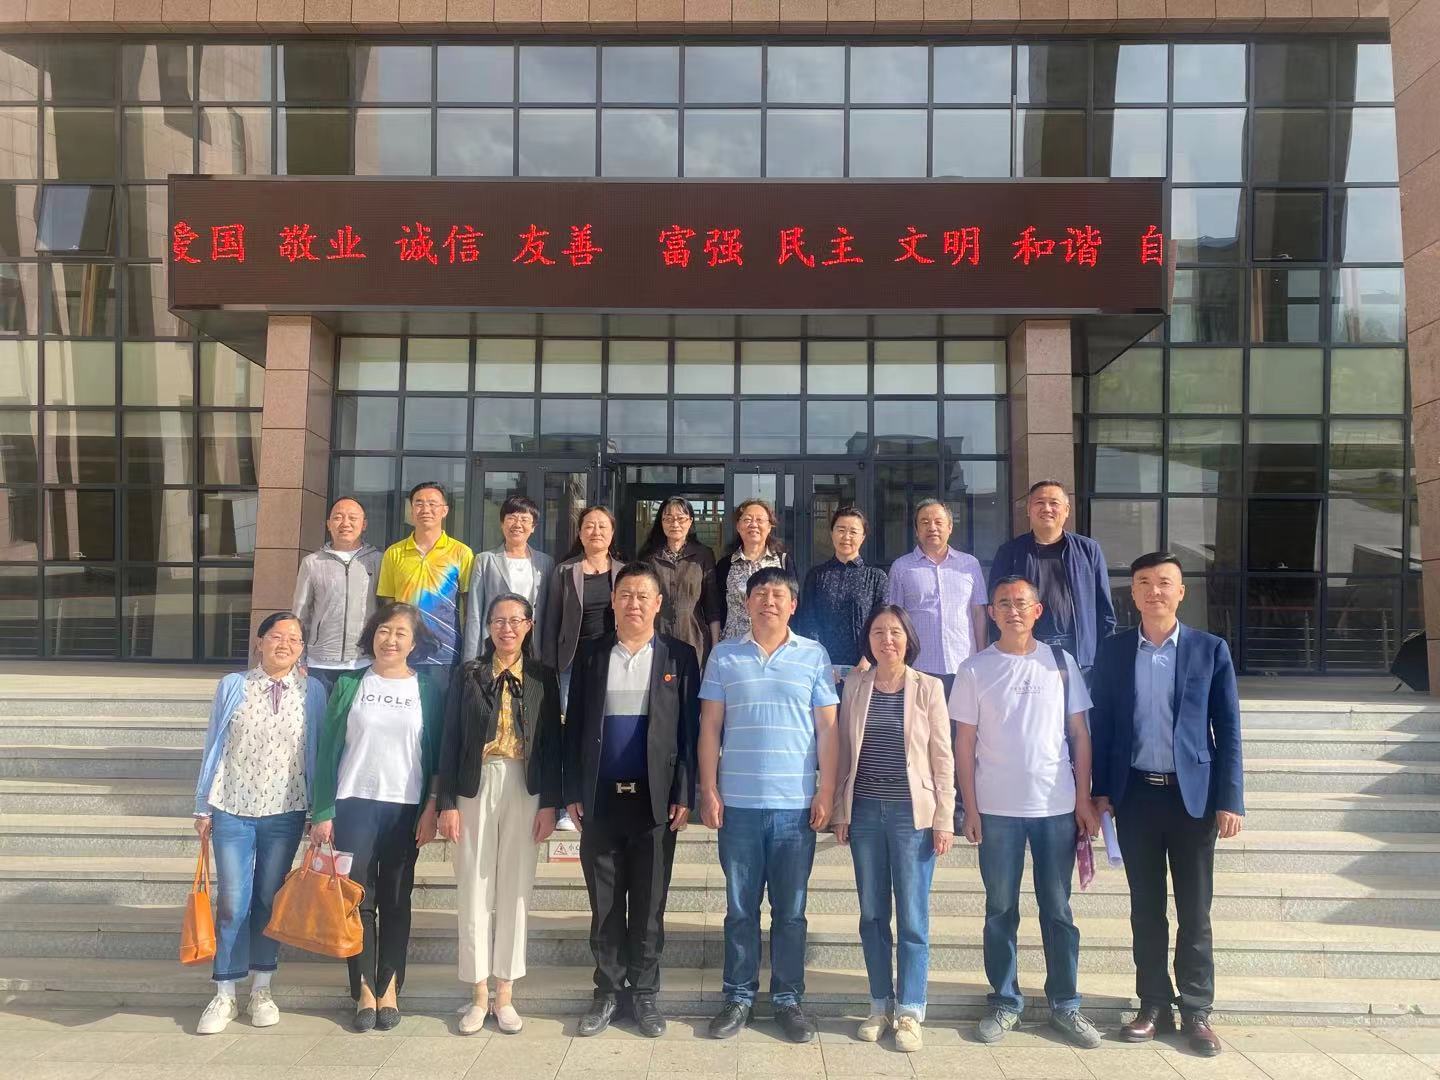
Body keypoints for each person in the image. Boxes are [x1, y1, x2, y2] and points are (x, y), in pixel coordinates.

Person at [1090, 552, 1245, 1058]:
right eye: (1143, 582)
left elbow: (1229, 729)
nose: (1153, 591)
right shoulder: (1114, 652)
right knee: (1146, 908)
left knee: (1195, 910)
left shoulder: (1209, 649)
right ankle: (1153, 1004)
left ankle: (1197, 1009)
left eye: (1164, 582)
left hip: (1192, 800)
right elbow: (1103, 726)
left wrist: (1230, 799)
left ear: (1181, 592)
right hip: (1136, 796)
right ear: (1132, 593)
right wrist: (1100, 791)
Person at [952, 575, 1102, 1050]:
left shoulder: (1061, 663)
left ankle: (1066, 1004)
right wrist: (969, 806)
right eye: (1003, 603)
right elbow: (964, 744)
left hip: (1055, 807)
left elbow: (1079, 734)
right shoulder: (974, 668)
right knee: (1000, 909)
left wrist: (1083, 799)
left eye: (1021, 603)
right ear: (990, 612)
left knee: (1057, 909)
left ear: (1038, 611)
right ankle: (1004, 1000)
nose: (1013, 610)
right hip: (996, 810)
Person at [698, 566, 840, 1044]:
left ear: (793, 605)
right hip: (737, 805)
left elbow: (828, 729)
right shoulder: (724, 655)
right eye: (760, 594)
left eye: (778, 595)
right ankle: (738, 997)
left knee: (791, 911)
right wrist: (708, 789)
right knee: (740, 910)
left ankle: (787, 999)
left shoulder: (814, 655)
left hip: (794, 807)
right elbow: (710, 727)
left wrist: (826, 790)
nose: (769, 602)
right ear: (747, 603)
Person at [564, 562, 701, 1039]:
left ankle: (643, 994)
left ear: (659, 604)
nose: (634, 604)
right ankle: (606, 991)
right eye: (626, 594)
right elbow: (574, 727)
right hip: (600, 799)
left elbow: (688, 731)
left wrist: (684, 792)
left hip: (655, 803)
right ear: (614, 600)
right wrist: (572, 791)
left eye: (644, 596)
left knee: (648, 904)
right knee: (604, 905)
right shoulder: (592, 654)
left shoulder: (679, 656)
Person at [309, 602, 447, 1032]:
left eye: (401, 633)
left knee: (396, 898)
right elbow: (327, 750)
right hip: (354, 804)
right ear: (372, 634)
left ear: (414, 643)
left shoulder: (428, 689)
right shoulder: (350, 683)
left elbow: (436, 756)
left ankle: (390, 987)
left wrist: (432, 807)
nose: (390, 640)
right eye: (384, 630)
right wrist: (323, 811)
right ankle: (364, 989)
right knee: (357, 900)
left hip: (405, 807)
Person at [191, 611, 329, 1035]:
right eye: (276, 636)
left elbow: (318, 751)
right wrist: (202, 805)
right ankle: (225, 992)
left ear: (302, 649)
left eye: (294, 639)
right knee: (233, 901)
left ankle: (262, 989)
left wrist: (319, 811)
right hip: (232, 807)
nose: (284, 644)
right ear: (260, 641)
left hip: (286, 810)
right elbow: (215, 743)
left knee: (269, 900)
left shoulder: (313, 691)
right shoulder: (233, 685)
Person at [437, 592, 563, 1036]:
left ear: (529, 626)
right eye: (498, 621)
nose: (506, 629)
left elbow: (552, 744)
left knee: (516, 887)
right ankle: (477, 993)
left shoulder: (543, 677)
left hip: (525, 785)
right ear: (488, 626)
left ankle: (505, 993)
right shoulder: (468, 673)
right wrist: (446, 802)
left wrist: (550, 803)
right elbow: (450, 738)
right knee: (474, 885)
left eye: (515, 621)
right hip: (475, 784)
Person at [831, 605, 953, 1053]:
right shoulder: (855, 684)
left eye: (895, 632)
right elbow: (844, 750)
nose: (887, 640)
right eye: (879, 632)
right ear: (868, 639)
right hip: (864, 810)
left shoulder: (928, 688)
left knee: (913, 917)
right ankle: (879, 1004)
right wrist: (841, 811)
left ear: (908, 639)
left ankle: (910, 1011)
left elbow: (942, 756)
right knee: (872, 913)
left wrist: (944, 818)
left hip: (911, 815)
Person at [542, 505, 624, 832]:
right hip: (571, 664)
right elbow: (551, 620)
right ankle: (568, 803)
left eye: (603, 526)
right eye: (589, 526)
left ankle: (605, 797)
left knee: (609, 729)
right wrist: (548, 666)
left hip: (612, 663)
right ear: (580, 532)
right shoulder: (565, 571)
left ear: (612, 533)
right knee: (571, 732)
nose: (596, 532)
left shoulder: (624, 571)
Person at [989, 480, 1116, 672]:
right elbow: (996, 607)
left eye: (1054, 503)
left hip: (1079, 656)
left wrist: (1105, 658)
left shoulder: (1088, 550)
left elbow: (1104, 609)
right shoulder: (1010, 552)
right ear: (1029, 510)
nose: (1047, 508)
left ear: (1067, 510)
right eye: (1039, 503)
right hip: (1026, 654)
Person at [376, 481, 475, 692]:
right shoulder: (394, 553)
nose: (425, 509)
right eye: (419, 503)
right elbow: (388, 605)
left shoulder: (461, 553)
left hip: (445, 652)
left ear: (444, 510)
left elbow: (469, 607)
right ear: (411, 510)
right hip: (403, 650)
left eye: (432, 503)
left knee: (440, 710)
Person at [886, 499, 988, 697]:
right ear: (916, 530)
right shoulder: (901, 567)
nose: (932, 527)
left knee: (961, 717)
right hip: (918, 666)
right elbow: (894, 618)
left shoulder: (970, 565)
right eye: (924, 522)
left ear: (950, 528)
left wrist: (983, 656)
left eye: (938, 522)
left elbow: (978, 613)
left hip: (964, 663)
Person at [293, 497, 382, 693]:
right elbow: (300, 614)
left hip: (364, 660)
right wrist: (299, 658)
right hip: (319, 662)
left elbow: (386, 612)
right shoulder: (312, 562)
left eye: (352, 518)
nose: (345, 523)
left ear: (364, 524)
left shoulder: (378, 561)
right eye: (338, 517)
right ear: (328, 524)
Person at [795, 506, 888, 683]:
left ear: (863, 537)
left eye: (853, 532)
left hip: (865, 669)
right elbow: (809, 622)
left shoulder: (876, 577)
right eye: (841, 530)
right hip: (823, 668)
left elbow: (880, 622)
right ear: (832, 533)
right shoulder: (816, 575)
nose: (846, 537)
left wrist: (865, 662)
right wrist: (822, 663)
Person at [461, 495, 554, 663]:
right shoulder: (485, 560)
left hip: (531, 645)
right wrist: (470, 659)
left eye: (524, 519)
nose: (517, 524)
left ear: (533, 527)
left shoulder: (545, 562)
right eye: (511, 518)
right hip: (495, 641)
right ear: (502, 523)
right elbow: (475, 612)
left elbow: (549, 614)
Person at [637, 496, 716, 666]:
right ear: (661, 522)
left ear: (690, 521)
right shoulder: (649, 557)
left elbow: (712, 606)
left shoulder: (703, 555)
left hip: (694, 638)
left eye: (681, 518)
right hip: (656, 636)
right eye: (668, 518)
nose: (675, 524)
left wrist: (716, 647)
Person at [708, 499, 797, 643]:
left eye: (760, 520)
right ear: (738, 526)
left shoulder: (784, 561)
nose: (753, 524)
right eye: (747, 520)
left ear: (769, 526)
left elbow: (792, 603)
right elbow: (717, 607)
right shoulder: (726, 564)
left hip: (774, 644)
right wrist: (715, 644)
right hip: (734, 644)